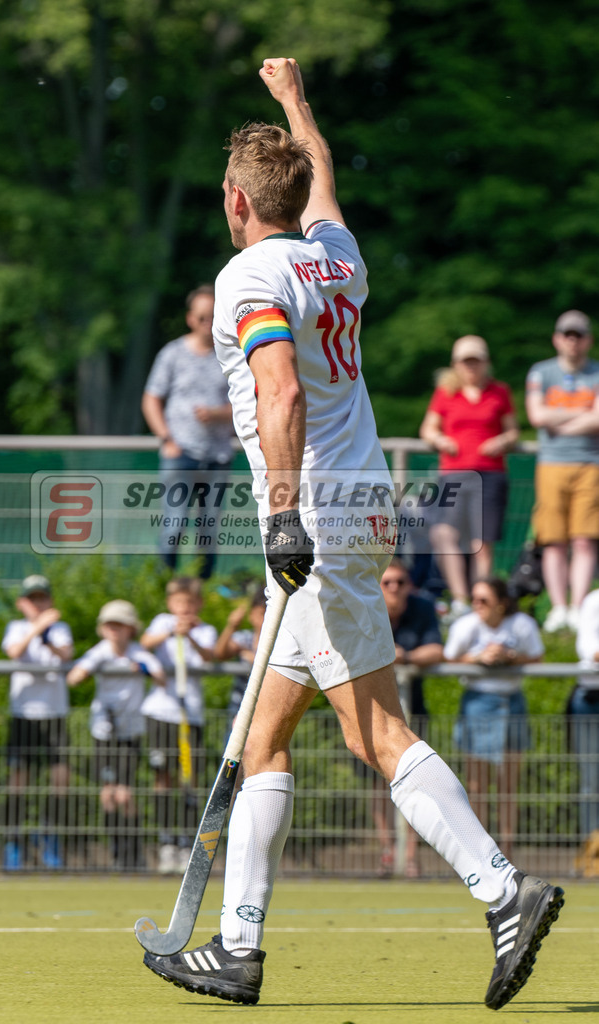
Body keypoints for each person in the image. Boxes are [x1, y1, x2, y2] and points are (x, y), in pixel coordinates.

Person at [142, 57, 564, 1011]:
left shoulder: (248, 273)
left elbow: (280, 390)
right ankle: (237, 946)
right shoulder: (337, 256)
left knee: (373, 730)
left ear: (235, 201)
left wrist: (281, 515)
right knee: (263, 735)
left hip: (316, 521)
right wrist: (294, 103)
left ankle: (502, 889)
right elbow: (321, 176)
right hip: (361, 509)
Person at [444, 577, 544, 860]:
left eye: (484, 600)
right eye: (474, 599)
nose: (477, 605)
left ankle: (507, 852)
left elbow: (536, 657)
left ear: (501, 603)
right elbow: (449, 657)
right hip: (478, 703)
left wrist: (509, 657)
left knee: (508, 786)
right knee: (476, 786)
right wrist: (477, 658)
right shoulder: (466, 625)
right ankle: (481, 853)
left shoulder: (521, 624)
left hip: (512, 702)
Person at [419, 336, 519, 620]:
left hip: (490, 473)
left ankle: (481, 601)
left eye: (476, 361)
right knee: (444, 534)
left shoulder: (499, 392)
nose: (471, 367)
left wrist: (501, 441)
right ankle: (461, 599)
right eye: (466, 361)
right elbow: (428, 428)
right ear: (456, 364)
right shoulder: (445, 393)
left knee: (482, 544)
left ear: (486, 363)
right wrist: (441, 440)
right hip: (453, 472)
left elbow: (513, 431)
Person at [141, 284, 235, 578]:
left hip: (218, 456)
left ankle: (203, 591)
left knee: (209, 529)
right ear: (190, 318)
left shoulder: (232, 354)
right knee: (174, 525)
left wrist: (218, 414)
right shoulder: (172, 353)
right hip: (180, 454)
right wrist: (167, 439)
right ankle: (165, 587)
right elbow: (151, 399)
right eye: (202, 317)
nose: (208, 323)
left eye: (213, 316)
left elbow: (249, 404)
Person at [67, 600, 164, 870]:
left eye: (120, 625)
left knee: (125, 794)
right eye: (109, 625)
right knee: (108, 794)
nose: (114, 630)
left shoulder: (138, 653)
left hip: (131, 732)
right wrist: (88, 671)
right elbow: (73, 678)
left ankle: (134, 852)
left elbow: (160, 676)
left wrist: (141, 669)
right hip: (104, 731)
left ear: (131, 628)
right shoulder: (99, 652)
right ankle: (116, 852)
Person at [368, 557, 443, 877]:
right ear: (378, 586)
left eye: (400, 582)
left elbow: (437, 650)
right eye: (387, 582)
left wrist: (406, 656)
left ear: (409, 585)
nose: (394, 588)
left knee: (414, 781)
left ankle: (410, 857)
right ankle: (388, 852)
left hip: (412, 709)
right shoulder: (365, 607)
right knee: (376, 783)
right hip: (371, 709)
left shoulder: (422, 608)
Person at [525, 310, 599, 633]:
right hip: (551, 463)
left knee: (584, 540)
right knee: (553, 540)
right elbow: (537, 417)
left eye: (578, 335)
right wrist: (582, 412)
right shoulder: (541, 372)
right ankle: (559, 608)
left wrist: (558, 420)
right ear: (557, 339)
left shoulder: (597, 372)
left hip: (591, 464)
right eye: (567, 335)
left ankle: (579, 607)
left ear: (588, 340)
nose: (573, 341)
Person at [140, 577, 217, 874]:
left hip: (190, 714)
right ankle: (166, 842)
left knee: (189, 778)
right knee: (162, 777)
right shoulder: (162, 622)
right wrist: (172, 632)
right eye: (179, 602)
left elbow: (209, 657)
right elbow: (145, 643)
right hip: (161, 712)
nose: (184, 608)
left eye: (190, 603)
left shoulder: (205, 630)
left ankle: (187, 843)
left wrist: (191, 637)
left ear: (199, 604)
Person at [1, 574, 74, 870]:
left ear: (50, 601)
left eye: (42, 598)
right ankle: (13, 840)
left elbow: (66, 654)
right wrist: (37, 628)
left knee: (61, 781)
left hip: (55, 713)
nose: (38, 604)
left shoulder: (61, 629)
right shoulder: (16, 628)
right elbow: (14, 652)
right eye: (32, 599)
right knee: (18, 781)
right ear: (22, 603)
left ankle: (49, 835)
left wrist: (47, 634)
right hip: (23, 714)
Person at [214, 586, 267, 725]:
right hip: (239, 706)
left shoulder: (281, 643)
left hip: (268, 706)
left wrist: (254, 659)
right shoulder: (245, 637)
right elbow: (220, 654)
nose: (265, 619)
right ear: (251, 614)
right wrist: (232, 626)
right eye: (262, 613)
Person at [571, 588, 599, 839]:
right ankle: (592, 848)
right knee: (590, 780)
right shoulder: (593, 601)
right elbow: (589, 651)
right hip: (591, 699)